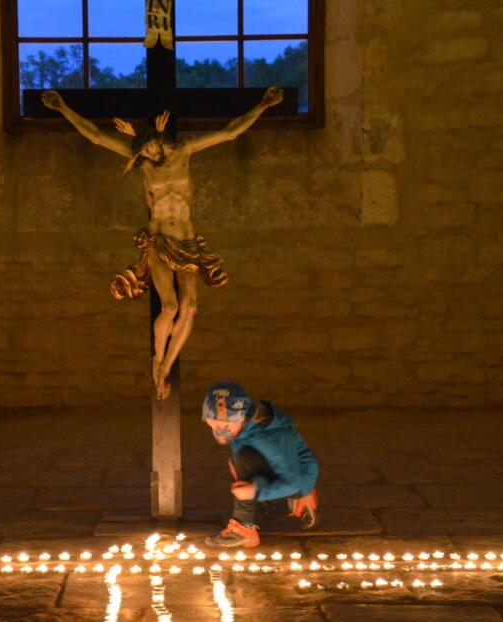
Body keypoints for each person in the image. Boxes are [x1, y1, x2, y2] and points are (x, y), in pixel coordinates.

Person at [41, 87, 284, 400]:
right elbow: (97, 137)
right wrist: (63, 108)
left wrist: (263, 105)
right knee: (169, 307)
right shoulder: (142, 162)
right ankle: (158, 361)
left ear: (159, 138)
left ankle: (166, 367)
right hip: (159, 240)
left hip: (187, 240)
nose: (147, 154)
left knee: (190, 307)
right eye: (143, 151)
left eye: (150, 148)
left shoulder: (185, 149)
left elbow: (230, 132)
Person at [201, 381, 319, 549]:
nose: (218, 432)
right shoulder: (243, 425)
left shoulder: (267, 438)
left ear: (239, 417)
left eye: (223, 426)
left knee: (245, 457)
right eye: (211, 425)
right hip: (284, 475)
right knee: (239, 461)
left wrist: (253, 491)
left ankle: (245, 530)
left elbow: (294, 481)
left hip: (296, 481)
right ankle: (273, 507)